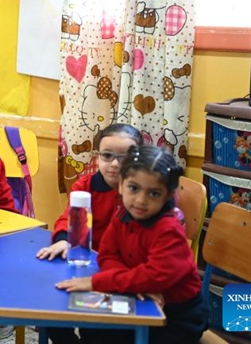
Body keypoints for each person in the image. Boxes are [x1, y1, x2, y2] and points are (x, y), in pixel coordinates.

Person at [56, 145, 209, 344]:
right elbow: (108, 256)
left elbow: (154, 276)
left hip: (177, 314)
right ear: (121, 185)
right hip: (138, 296)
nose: (140, 200)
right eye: (133, 188)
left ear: (168, 195)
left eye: (154, 193)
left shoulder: (169, 229)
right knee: (94, 334)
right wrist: (134, 285)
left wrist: (97, 282)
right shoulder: (122, 215)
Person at [36, 123, 142, 344]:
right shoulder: (85, 186)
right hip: (90, 266)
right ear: (98, 156)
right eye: (107, 155)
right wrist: (64, 240)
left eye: (124, 157)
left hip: (126, 272)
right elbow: (67, 218)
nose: (114, 163)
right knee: (48, 310)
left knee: (102, 331)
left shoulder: (143, 193)